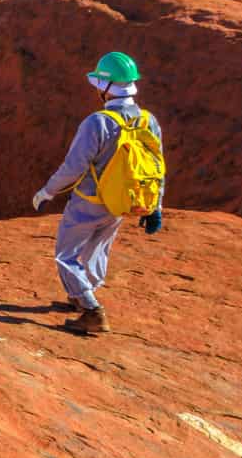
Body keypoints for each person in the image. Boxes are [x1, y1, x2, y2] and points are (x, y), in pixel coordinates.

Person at [31, 51, 165, 335]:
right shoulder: (148, 121)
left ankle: (92, 310)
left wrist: (47, 191)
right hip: (121, 203)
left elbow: (73, 167)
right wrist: (156, 207)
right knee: (97, 250)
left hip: (89, 202)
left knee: (66, 254)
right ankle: (81, 295)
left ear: (105, 87)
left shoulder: (98, 122)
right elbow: (157, 167)